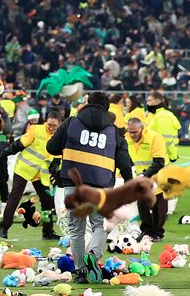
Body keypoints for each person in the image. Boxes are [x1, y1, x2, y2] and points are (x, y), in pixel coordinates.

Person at [46, 92, 131, 281]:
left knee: (76, 230)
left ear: (87, 104)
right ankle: (93, 254)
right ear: (106, 108)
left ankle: (81, 271)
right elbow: (125, 163)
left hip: (73, 184)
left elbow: (51, 147)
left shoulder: (71, 123)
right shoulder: (113, 131)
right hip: (101, 185)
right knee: (100, 225)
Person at [0, 109, 61, 240]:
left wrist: (56, 169)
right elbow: (19, 144)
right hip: (24, 168)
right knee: (15, 196)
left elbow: (57, 157)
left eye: (54, 126)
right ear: (45, 121)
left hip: (40, 173)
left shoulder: (60, 136)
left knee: (47, 200)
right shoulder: (35, 129)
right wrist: (4, 153)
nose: (51, 128)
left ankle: (47, 232)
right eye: (49, 124)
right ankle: (4, 227)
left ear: (59, 124)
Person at [124, 115, 169, 241]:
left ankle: (157, 233)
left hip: (159, 176)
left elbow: (159, 162)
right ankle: (146, 231)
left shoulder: (155, 138)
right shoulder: (126, 138)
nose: (132, 135)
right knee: (142, 204)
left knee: (158, 206)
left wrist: (144, 175)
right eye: (130, 132)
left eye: (135, 132)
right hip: (142, 177)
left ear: (142, 128)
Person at [145, 90, 181, 162]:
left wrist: (172, 156)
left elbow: (167, 138)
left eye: (150, 101)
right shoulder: (154, 115)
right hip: (154, 154)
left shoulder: (163, 116)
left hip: (161, 156)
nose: (147, 103)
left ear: (158, 101)